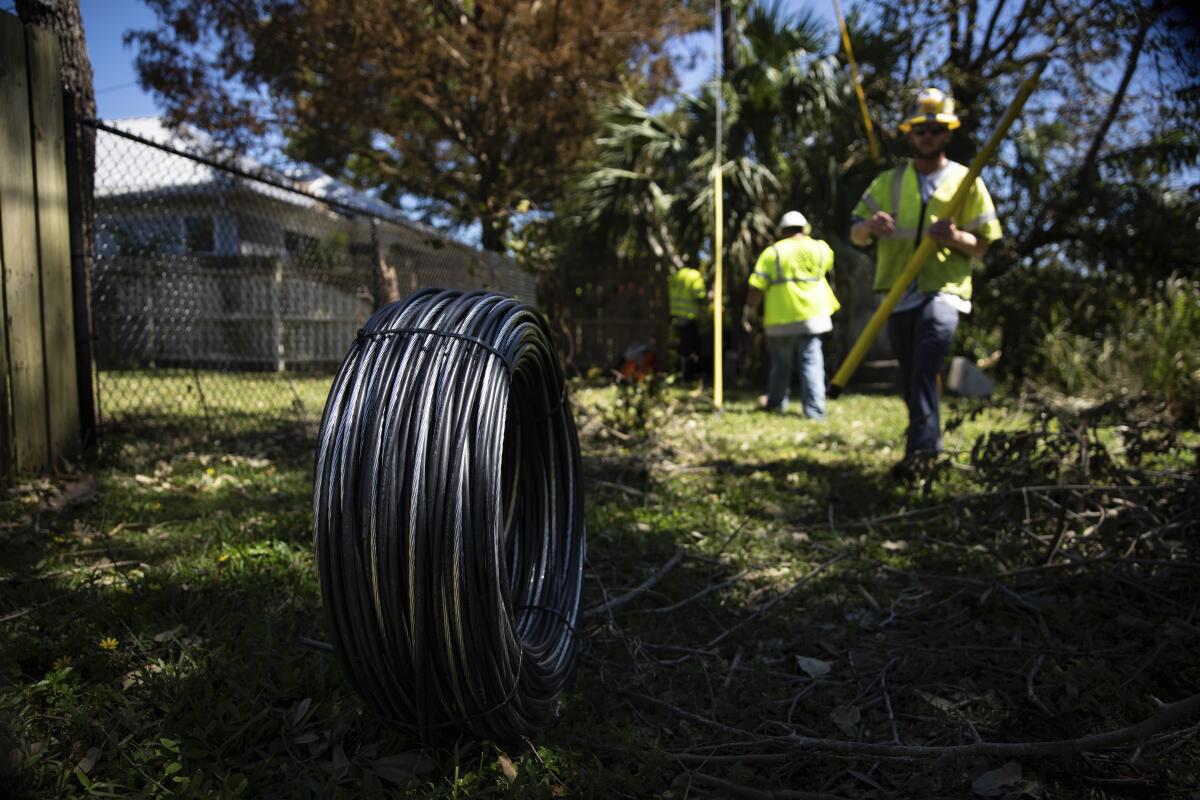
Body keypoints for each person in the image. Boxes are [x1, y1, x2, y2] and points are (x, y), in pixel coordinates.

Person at [849, 87, 1003, 465]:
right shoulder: (890, 181)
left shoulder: (966, 182)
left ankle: (921, 451)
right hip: (898, 292)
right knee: (913, 373)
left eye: (935, 130)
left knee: (926, 360)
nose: (927, 136)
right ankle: (925, 437)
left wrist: (955, 237)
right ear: (910, 134)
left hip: (944, 291)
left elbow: (983, 245)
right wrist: (870, 225)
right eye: (920, 130)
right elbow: (855, 233)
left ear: (947, 133)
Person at [744, 211, 839, 418]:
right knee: (812, 363)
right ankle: (814, 411)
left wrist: (749, 310)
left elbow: (757, 286)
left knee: (780, 365)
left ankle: (776, 404)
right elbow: (828, 266)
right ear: (804, 229)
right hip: (813, 316)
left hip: (781, 319)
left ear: (782, 231)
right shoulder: (820, 249)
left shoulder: (774, 252)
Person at [668, 263, 707, 382]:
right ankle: (690, 375)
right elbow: (699, 294)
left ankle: (682, 372)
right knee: (692, 346)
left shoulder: (677, 275)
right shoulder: (694, 275)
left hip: (676, 314)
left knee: (682, 345)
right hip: (690, 316)